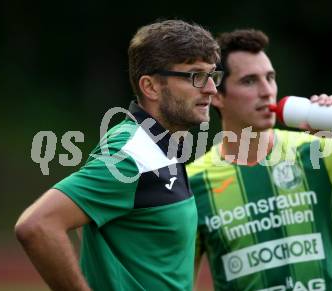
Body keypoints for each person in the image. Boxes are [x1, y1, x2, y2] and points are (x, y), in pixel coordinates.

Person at [187, 29, 332, 291]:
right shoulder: (193, 184)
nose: (267, 91)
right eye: (250, 81)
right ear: (216, 94)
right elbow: (180, 283)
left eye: (270, 78)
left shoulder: (319, 153)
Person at [15, 19, 222, 291]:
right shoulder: (132, 153)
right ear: (150, 87)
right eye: (196, 76)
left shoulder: (163, 144)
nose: (211, 89)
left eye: (212, 76)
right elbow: (37, 225)